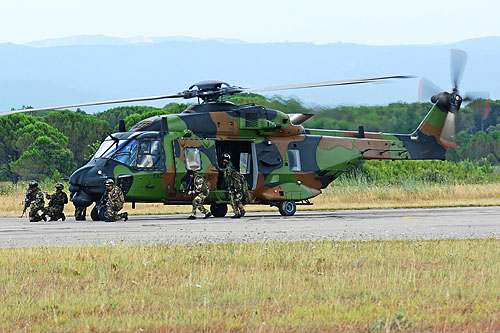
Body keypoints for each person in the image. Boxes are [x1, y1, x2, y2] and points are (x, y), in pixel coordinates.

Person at [222, 154, 247, 219]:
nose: (224, 160)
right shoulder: (227, 168)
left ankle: (241, 211)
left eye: (226, 159)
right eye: (224, 159)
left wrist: (237, 189)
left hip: (236, 188)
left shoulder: (231, 170)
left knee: (236, 200)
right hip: (232, 188)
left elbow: (237, 181)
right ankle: (237, 213)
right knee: (233, 201)